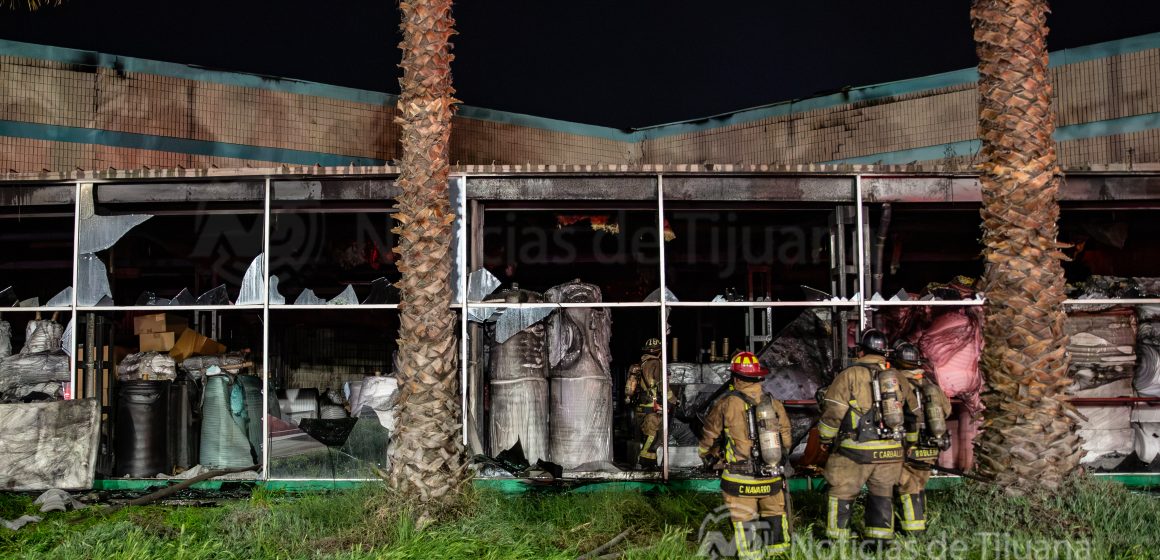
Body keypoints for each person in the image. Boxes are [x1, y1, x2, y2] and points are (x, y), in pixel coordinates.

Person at [817, 329, 918, 544]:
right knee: (882, 494)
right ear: (885, 353)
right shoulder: (898, 378)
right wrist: (909, 443)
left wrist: (825, 439)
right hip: (891, 451)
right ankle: (879, 542)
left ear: (861, 350)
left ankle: (838, 541)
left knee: (842, 490)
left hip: (856, 451)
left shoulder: (849, 375)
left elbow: (833, 412)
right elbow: (912, 413)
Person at [698, 351, 793, 558]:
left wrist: (708, 456)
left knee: (745, 521)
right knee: (775, 516)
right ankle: (779, 554)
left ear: (735, 378)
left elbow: (709, 436)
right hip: (772, 477)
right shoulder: (773, 402)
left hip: (739, 480)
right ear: (758, 377)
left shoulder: (726, 403)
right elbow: (785, 437)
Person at [893, 341, 952, 536]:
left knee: (906, 487)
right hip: (930, 446)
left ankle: (912, 531)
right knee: (919, 485)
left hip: (907, 447)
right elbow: (947, 410)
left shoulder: (896, 383)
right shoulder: (929, 384)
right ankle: (920, 523)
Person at [624, 337, 673, 469]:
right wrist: (674, 401)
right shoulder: (657, 363)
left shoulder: (639, 364)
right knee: (655, 435)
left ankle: (651, 463)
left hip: (640, 407)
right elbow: (664, 387)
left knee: (648, 435)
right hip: (652, 407)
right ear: (659, 351)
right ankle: (643, 461)